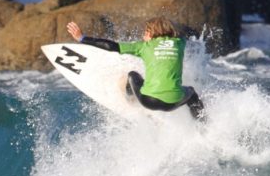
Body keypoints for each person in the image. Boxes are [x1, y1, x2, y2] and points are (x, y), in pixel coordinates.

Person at [66, 17, 205, 120]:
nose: (143, 36)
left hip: (148, 101)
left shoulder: (143, 47)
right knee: (192, 94)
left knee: (132, 75)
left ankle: (131, 101)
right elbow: (179, 33)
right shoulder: (179, 43)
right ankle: (203, 126)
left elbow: (111, 46)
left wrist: (82, 38)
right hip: (174, 102)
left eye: (146, 32)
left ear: (152, 33)